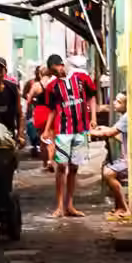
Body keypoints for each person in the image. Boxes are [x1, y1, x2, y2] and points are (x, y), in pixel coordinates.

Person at [41, 54, 98, 217]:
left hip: (81, 129)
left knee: (74, 167)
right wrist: (47, 129)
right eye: (52, 72)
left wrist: (93, 117)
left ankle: (70, 205)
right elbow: (52, 109)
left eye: (56, 69)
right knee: (61, 167)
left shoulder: (82, 77)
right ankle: (59, 207)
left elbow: (91, 97)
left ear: (61, 65)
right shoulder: (52, 87)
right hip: (63, 130)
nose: (56, 73)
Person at [89, 91, 130, 220]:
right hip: (126, 158)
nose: (114, 103)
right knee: (107, 170)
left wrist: (90, 132)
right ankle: (119, 207)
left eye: (118, 101)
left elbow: (111, 133)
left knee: (108, 173)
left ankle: (125, 208)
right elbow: (116, 134)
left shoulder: (126, 117)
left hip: (129, 160)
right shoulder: (124, 117)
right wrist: (104, 129)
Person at [25, 65, 57, 172]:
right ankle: (50, 161)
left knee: (42, 139)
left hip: (39, 112)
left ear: (40, 74)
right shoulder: (54, 84)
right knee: (51, 138)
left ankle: (44, 162)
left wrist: (30, 108)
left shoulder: (36, 85)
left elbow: (28, 100)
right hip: (51, 112)